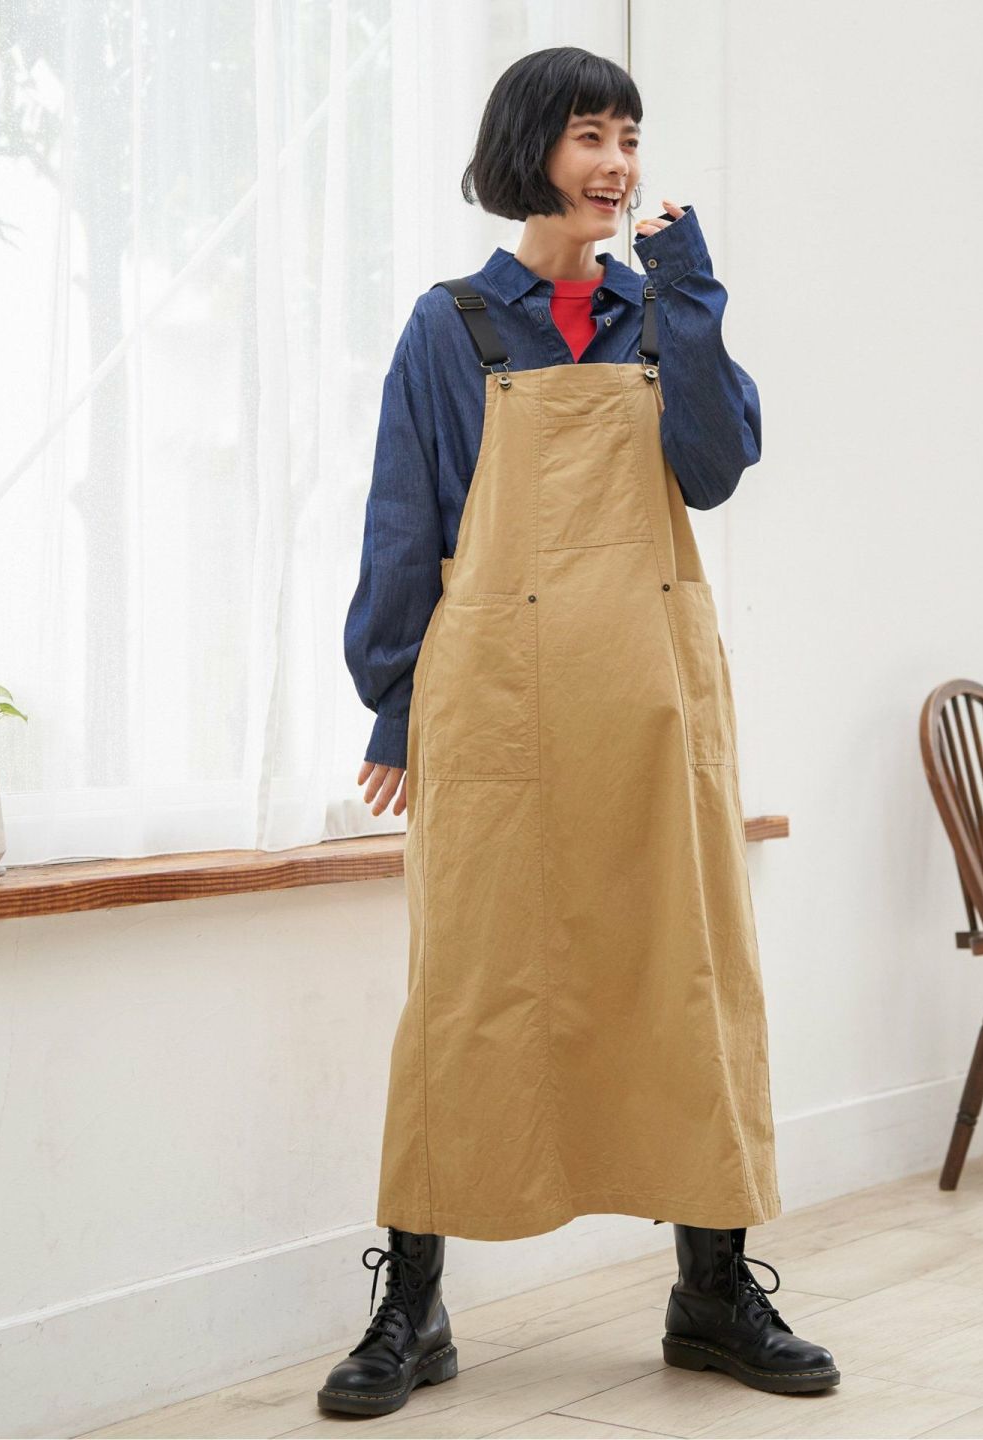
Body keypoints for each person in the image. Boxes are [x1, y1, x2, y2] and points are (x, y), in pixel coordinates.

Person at [322, 45, 839, 1418]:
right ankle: (414, 1305)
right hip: (495, 702)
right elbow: (404, 521)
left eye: (629, 138)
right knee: (466, 987)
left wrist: (694, 298)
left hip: (655, 698)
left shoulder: (657, 311)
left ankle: (713, 1291)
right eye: (588, 137)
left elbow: (714, 471)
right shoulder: (451, 327)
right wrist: (394, 701)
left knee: (689, 971)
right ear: (529, 151)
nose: (616, 165)